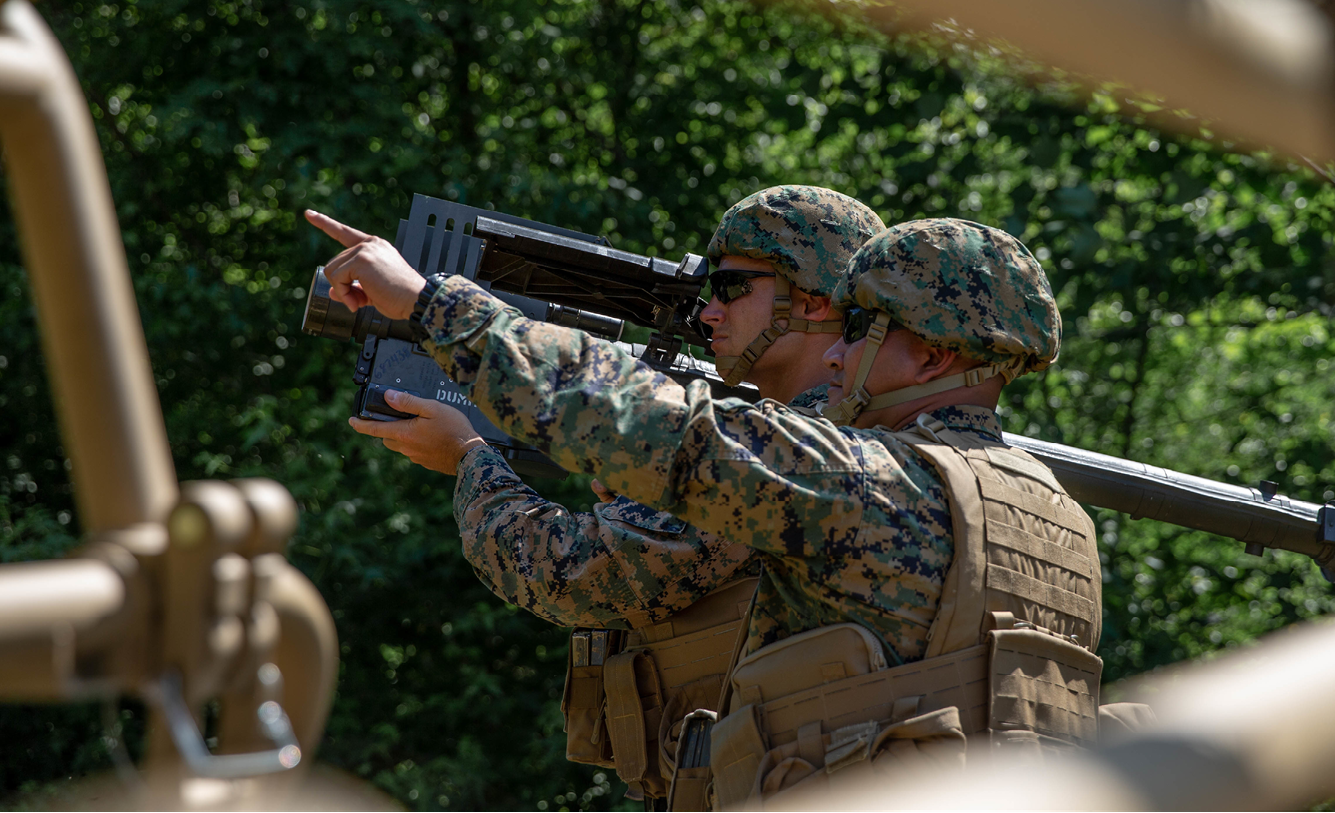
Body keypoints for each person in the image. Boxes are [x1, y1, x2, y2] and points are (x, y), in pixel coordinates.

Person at [307, 211, 1102, 806]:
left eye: (859, 328)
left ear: (931, 353)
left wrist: (433, 305)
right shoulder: (1057, 517)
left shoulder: (865, 482)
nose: (833, 352)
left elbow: (652, 430)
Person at [343, 187, 885, 806]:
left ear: (815, 304)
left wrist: (468, 460)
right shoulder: (851, 437)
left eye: (734, 288)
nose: (709, 313)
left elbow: (571, 571)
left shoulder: (793, 455)